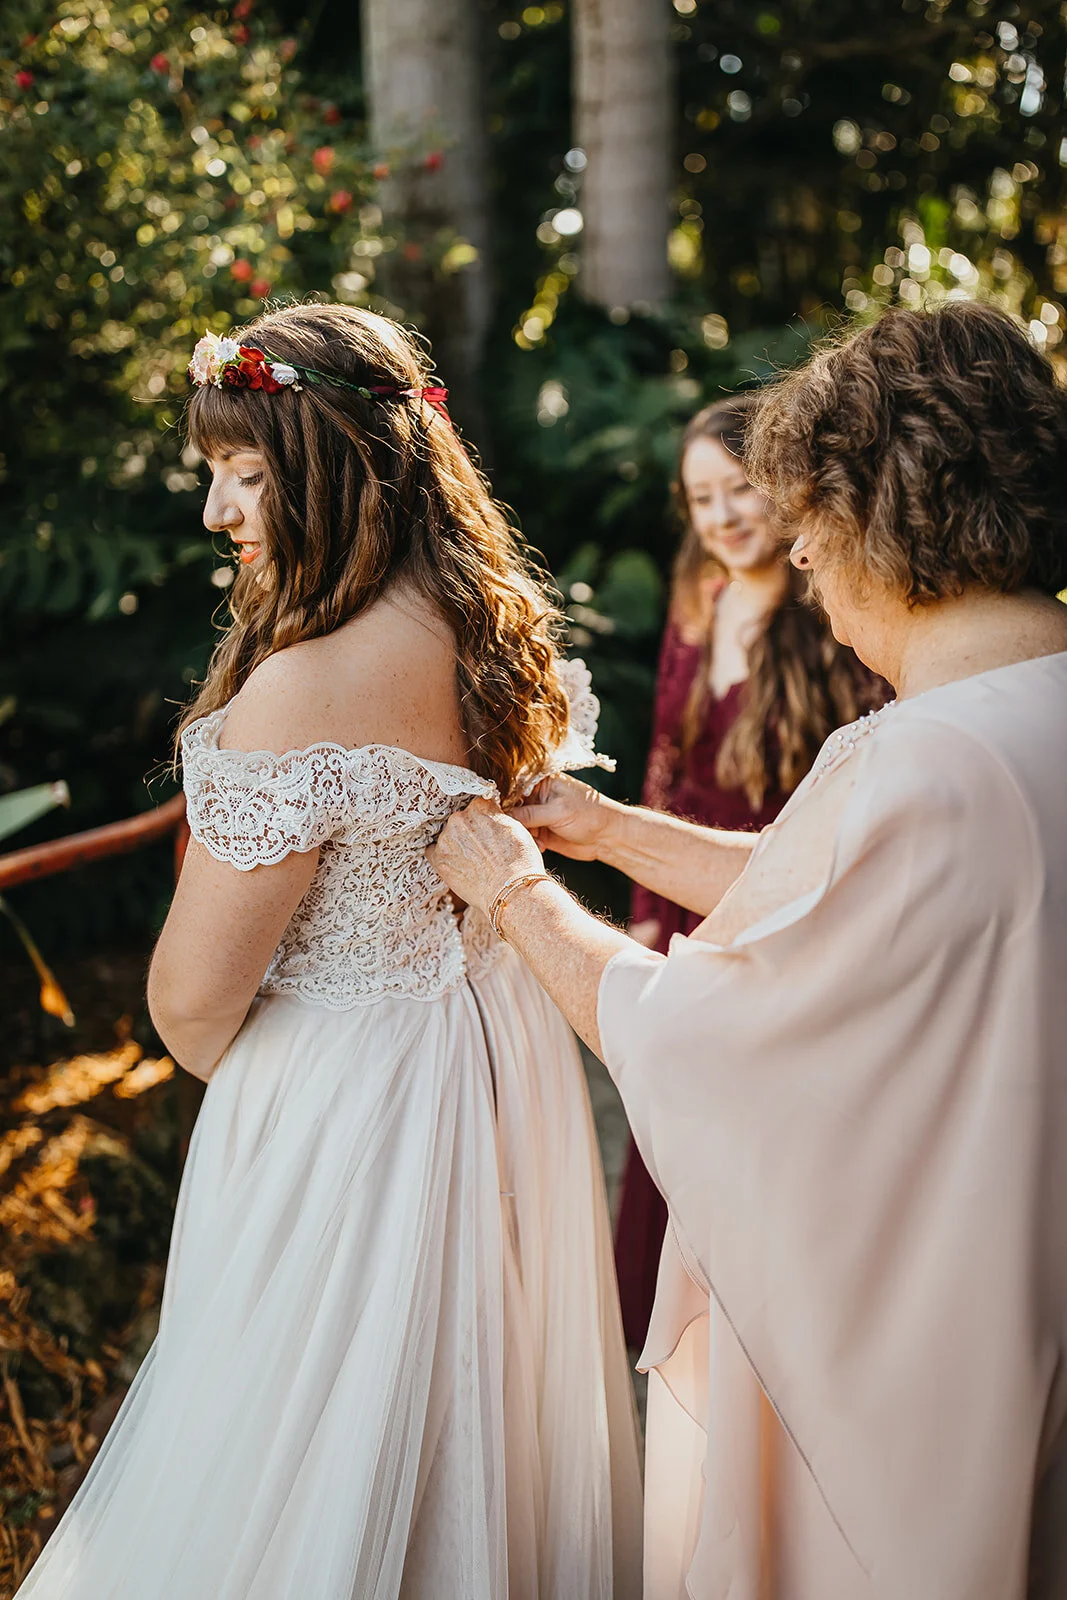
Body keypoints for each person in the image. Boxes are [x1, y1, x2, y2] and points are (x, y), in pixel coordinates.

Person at [428, 300, 1067, 1600]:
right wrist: (609, 831)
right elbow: (831, 905)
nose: (805, 567)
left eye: (808, 522)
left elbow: (704, 1039)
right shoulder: (1015, 717)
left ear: (867, 511)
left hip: (924, 1351)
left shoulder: (921, 758)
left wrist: (519, 897)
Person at [16, 305, 641, 1600]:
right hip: (490, 1080)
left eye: (243, 473)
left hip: (345, 1108)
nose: (213, 512)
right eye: (211, 473)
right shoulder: (495, 637)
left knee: (289, 1460)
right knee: (466, 1437)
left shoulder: (301, 692)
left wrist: (272, 1103)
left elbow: (190, 1005)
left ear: (336, 469)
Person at [615, 394, 885, 1349]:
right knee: (679, 1124)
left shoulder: (841, 608)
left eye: (740, 490)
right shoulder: (699, 599)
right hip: (690, 903)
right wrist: (648, 912)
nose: (723, 516)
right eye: (700, 499)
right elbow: (663, 762)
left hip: (789, 899)